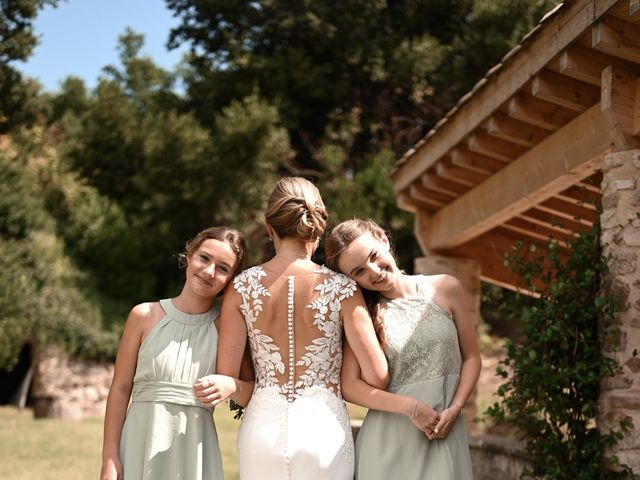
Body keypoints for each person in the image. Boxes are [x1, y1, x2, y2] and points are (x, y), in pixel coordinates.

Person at [195, 177, 389, 480]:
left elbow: (232, 384)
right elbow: (377, 376)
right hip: (324, 433)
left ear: (270, 226)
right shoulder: (343, 289)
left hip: (261, 434)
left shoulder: (241, 287)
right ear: (318, 225)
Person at [325, 218, 481, 479]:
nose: (374, 271)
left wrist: (456, 407)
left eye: (374, 256)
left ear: (384, 240)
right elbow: (350, 386)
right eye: (359, 271)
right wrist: (410, 408)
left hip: (447, 431)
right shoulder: (363, 314)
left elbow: (472, 358)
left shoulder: (446, 287)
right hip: (388, 444)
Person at [100, 226, 250, 480]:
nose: (209, 271)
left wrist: (232, 386)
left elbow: (255, 393)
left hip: (193, 452)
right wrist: (110, 456)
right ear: (189, 255)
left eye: (223, 268)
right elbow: (120, 388)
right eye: (204, 258)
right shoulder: (143, 316)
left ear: (231, 280)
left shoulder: (228, 329)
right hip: (138, 444)